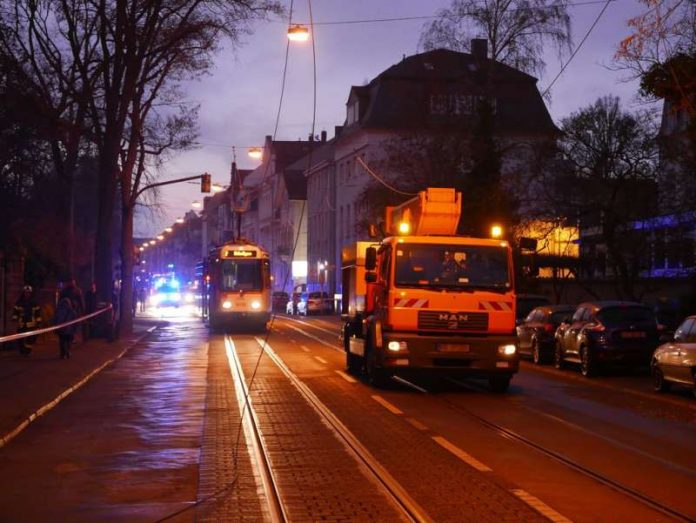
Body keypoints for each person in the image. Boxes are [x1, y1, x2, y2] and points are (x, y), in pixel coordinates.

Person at [12, 285, 43, 356]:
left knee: (31, 339)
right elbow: (15, 311)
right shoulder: (19, 302)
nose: (27, 294)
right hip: (22, 323)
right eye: (26, 293)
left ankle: (28, 351)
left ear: (31, 293)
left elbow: (37, 313)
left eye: (28, 293)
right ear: (23, 293)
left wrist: (38, 322)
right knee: (20, 338)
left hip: (31, 324)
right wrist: (14, 318)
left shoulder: (34, 302)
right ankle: (22, 351)